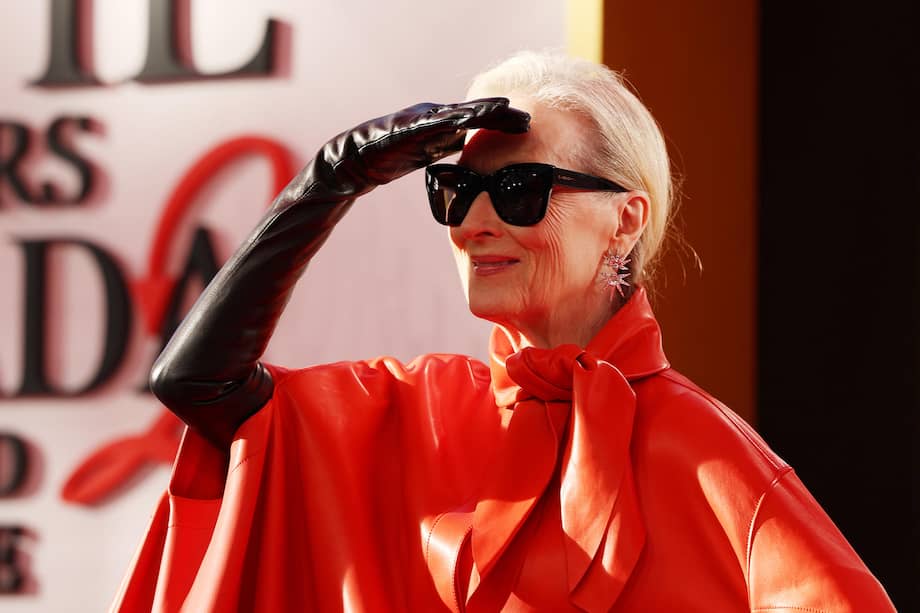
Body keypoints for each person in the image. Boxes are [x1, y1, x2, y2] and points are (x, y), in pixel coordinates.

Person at [112, 52, 894, 612]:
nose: (476, 222)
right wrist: (329, 181)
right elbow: (195, 382)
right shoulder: (399, 409)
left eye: (520, 189)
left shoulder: (708, 455)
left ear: (626, 217)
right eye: (456, 190)